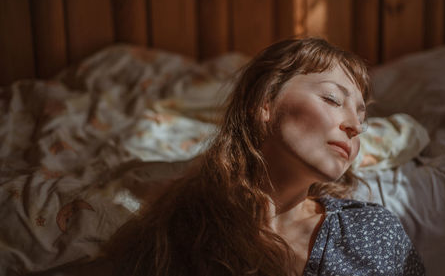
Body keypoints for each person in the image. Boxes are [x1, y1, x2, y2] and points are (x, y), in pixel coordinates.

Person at [104, 38, 425, 276]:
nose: (355, 126)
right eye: (332, 98)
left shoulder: (372, 230)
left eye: (361, 117)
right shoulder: (183, 228)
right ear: (264, 104)